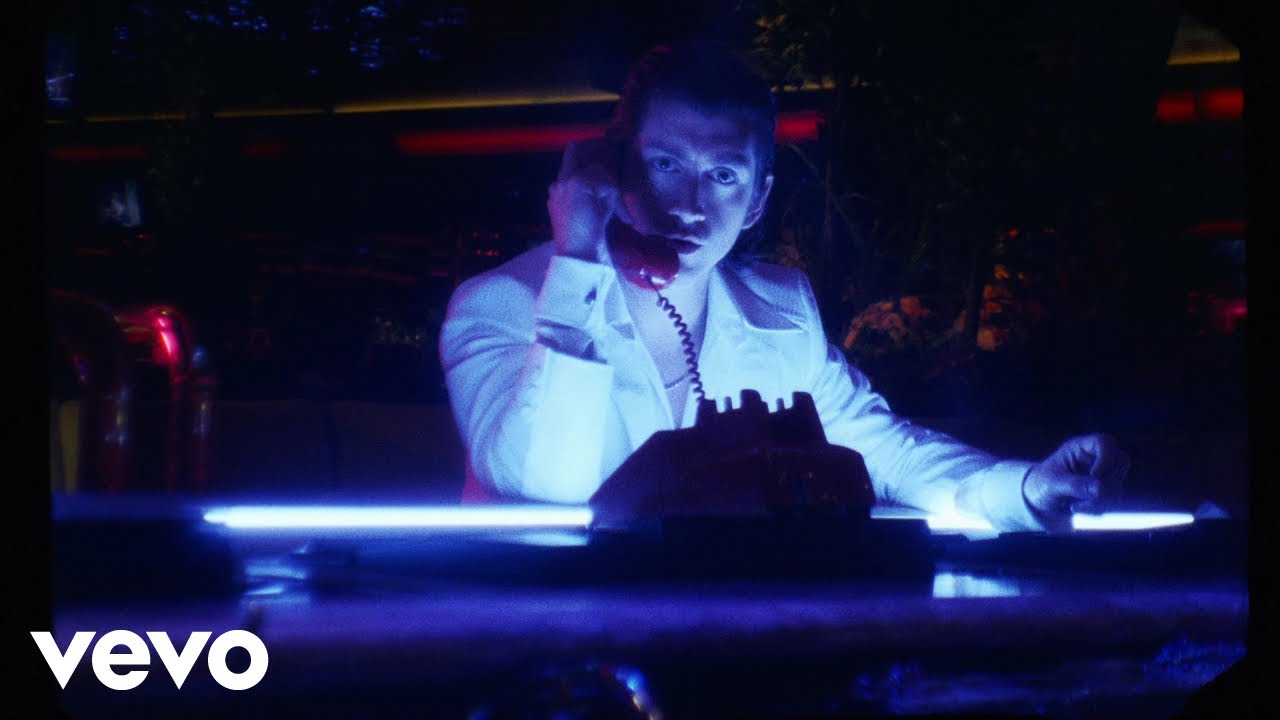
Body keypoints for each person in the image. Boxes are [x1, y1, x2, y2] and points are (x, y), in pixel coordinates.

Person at [439, 43, 1129, 531]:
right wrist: (579, 255)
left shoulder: (782, 314)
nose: (689, 206)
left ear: (758, 200)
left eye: (723, 175)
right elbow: (548, 481)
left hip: (726, 635)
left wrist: (1026, 488)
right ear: (613, 167)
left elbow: (886, 452)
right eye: (665, 164)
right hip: (542, 643)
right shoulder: (498, 304)